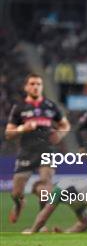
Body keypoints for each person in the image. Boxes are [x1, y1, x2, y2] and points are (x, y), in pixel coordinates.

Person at [5, 73, 71, 223]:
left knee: (45, 191)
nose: (36, 87)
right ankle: (19, 204)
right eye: (33, 84)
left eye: (39, 84)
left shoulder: (51, 106)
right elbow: (8, 133)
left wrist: (60, 135)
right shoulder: (19, 108)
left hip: (47, 151)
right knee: (16, 193)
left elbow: (65, 125)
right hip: (26, 152)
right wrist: (23, 128)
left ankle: (40, 223)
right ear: (26, 87)